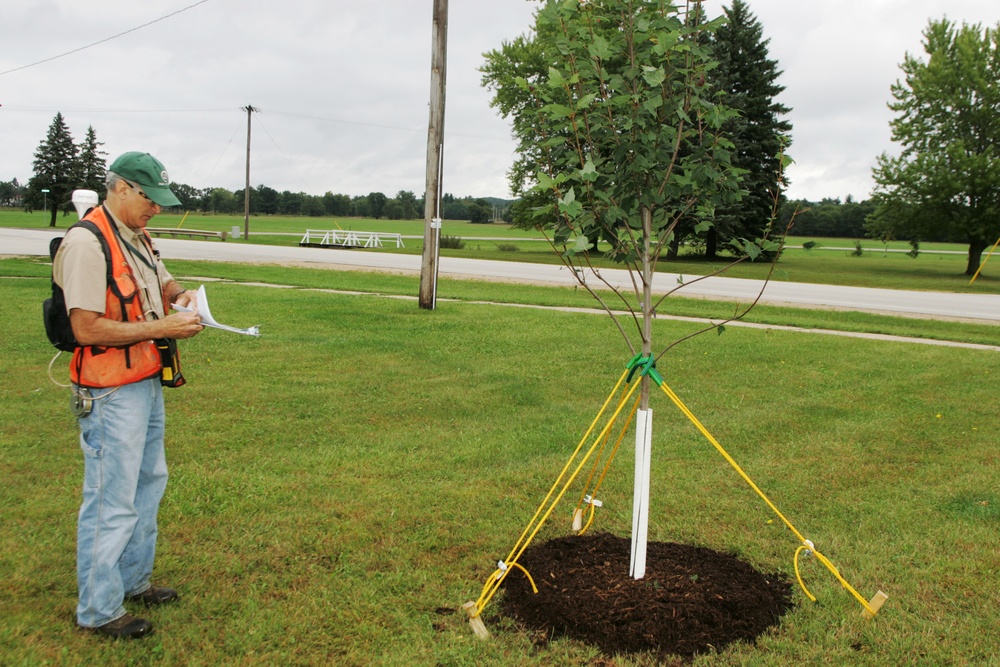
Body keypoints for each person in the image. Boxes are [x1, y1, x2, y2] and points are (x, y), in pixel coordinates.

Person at [53, 151, 204, 639]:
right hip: (108, 392)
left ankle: (134, 581)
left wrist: (181, 297)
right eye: (149, 199)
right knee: (110, 499)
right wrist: (166, 326)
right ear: (119, 189)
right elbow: (85, 326)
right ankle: (98, 610)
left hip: (142, 379)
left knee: (147, 484)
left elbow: (162, 281)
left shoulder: (136, 237)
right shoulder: (86, 243)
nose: (156, 209)